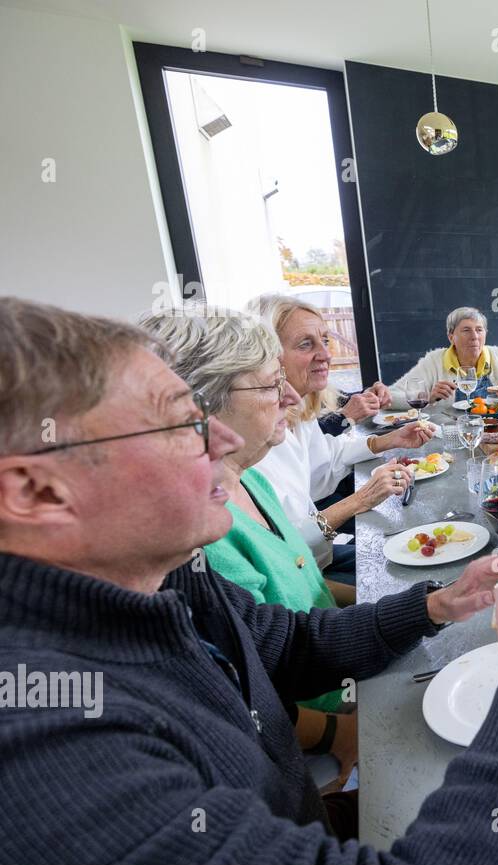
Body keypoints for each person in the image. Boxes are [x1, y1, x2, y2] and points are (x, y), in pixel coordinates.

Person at [0, 296, 498, 865]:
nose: (218, 441)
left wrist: (436, 605)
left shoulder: (164, 577)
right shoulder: (55, 745)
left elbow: (285, 643)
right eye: (178, 421)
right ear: (37, 491)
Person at [138, 303, 383, 786]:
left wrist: (385, 603)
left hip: (340, 665)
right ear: (202, 407)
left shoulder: (251, 482)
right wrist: (340, 733)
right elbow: (250, 685)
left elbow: (302, 579)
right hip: (318, 731)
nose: (290, 396)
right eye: (273, 384)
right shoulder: (195, 541)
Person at [249, 293, 433, 579]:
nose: (325, 355)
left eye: (324, 340)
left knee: (412, 560)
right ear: (266, 355)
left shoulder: (298, 411)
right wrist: (360, 500)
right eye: (305, 344)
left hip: (320, 557)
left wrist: (390, 439)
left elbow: (324, 468)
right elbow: (285, 551)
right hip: (301, 575)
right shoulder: (253, 444)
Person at [387, 306, 498, 410]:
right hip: (453, 434)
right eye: (466, 330)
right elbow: (391, 396)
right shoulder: (433, 361)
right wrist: (427, 397)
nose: (474, 336)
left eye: (479, 330)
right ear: (451, 336)